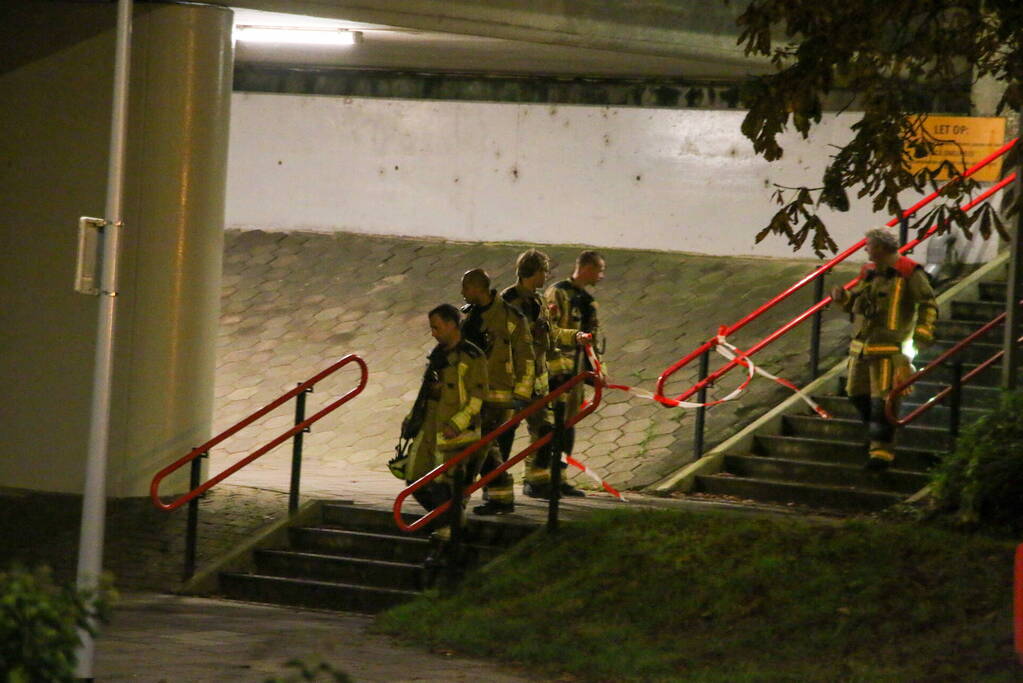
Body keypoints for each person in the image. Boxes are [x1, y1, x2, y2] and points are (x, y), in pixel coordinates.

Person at [831, 228, 938, 470]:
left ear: (880, 247)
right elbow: (857, 303)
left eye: (868, 244)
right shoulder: (868, 272)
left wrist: (922, 335)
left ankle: (882, 452)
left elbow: (927, 303)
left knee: (884, 400)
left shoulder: (909, 271)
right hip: (861, 346)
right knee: (855, 393)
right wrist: (842, 297)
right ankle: (874, 436)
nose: (865, 249)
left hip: (890, 350)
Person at [501, 249, 589, 498]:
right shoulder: (508, 301)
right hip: (513, 382)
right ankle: (495, 487)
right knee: (504, 435)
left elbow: (551, 333)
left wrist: (576, 336)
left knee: (545, 432)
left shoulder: (538, 301)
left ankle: (536, 482)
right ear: (534, 271)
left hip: (536, 383)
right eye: (544, 271)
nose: (546, 276)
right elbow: (504, 340)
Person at [400, 304, 488, 540]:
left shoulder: (472, 356)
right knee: (414, 477)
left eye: (436, 327)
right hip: (429, 427)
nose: (433, 333)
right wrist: (411, 419)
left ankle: (448, 530)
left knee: (443, 482)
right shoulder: (436, 357)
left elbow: (477, 396)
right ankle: (452, 522)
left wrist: (457, 424)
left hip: (454, 434)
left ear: (451, 324)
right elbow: (424, 392)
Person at [460, 268, 534, 515]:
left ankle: (491, 496)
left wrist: (522, 394)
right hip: (473, 394)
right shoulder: (469, 316)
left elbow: (525, 356)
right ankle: (500, 496)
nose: (462, 293)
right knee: (485, 447)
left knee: (484, 444)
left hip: (499, 396)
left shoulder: (510, 317)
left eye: (465, 287)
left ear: (477, 287)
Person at [544, 250, 607, 488]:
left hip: (577, 374)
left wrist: (599, 370)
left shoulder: (588, 302)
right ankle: (541, 476)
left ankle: (559, 477)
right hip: (557, 373)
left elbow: (594, 339)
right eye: (599, 270)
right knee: (551, 425)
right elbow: (550, 331)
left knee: (568, 425)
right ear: (586, 268)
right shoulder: (558, 293)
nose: (601, 276)